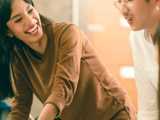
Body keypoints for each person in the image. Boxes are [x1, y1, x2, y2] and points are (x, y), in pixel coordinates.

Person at [0, 0, 136, 119]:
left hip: (113, 114)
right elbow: (21, 105)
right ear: (8, 31)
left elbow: (63, 86)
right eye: (18, 20)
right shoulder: (19, 58)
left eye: (30, 11)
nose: (30, 21)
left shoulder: (68, 33)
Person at [114, 0, 159, 119]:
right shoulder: (137, 37)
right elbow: (149, 111)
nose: (123, 10)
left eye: (128, 0)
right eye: (118, 1)